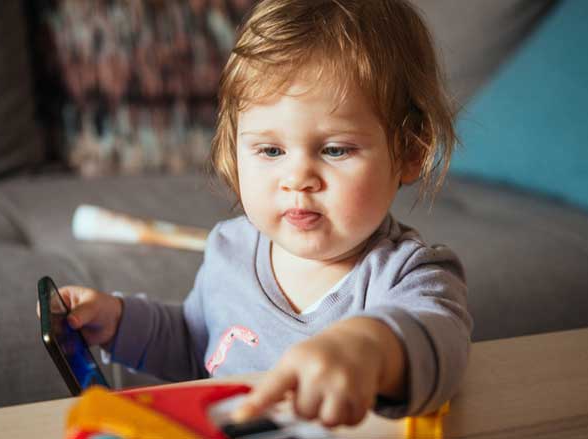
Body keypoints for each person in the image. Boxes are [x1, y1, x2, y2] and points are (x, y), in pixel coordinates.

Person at [55, 0, 472, 428]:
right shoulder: (230, 249)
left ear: (410, 152)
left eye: (334, 149)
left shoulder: (408, 274)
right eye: (271, 150)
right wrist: (118, 322)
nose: (297, 179)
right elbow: (195, 343)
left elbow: (442, 346)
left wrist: (368, 347)